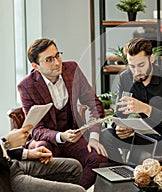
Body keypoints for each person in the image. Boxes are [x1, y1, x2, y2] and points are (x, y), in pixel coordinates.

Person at [17, 38, 108, 189]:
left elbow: (94, 103)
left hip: (73, 138)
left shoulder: (71, 70)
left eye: (57, 55)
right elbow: (36, 129)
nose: (57, 63)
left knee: (98, 157)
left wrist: (94, 137)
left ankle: (76, 190)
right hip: (47, 140)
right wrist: (61, 136)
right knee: (42, 152)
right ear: (36, 66)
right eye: (49, 59)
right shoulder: (26, 86)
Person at [101, 38, 162, 164]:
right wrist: (120, 127)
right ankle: (120, 171)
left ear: (151, 59)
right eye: (132, 66)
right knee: (106, 135)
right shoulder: (125, 78)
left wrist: (146, 109)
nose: (137, 72)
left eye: (141, 65)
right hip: (143, 134)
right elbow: (119, 114)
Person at [0, 125, 85, 192]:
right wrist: (6, 142)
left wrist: (27, 153)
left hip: (10, 164)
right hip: (5, 178)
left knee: (74, 167)